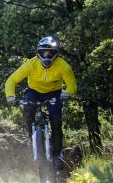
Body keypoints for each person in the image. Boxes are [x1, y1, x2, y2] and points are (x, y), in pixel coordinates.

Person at [4, 36, 78, 173]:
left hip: (54, 93)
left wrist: (67, 93)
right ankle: (33, 139)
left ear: (56, 54)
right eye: (44, 52)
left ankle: (57, 156)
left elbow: (72, 87)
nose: (47, 55)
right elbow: (11, 80)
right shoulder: (31, 64)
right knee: (27, 113)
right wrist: (10, 96)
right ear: (39, 52)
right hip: (34, 92)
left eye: (50, 52)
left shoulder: (64, 66)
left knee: (56, 121)